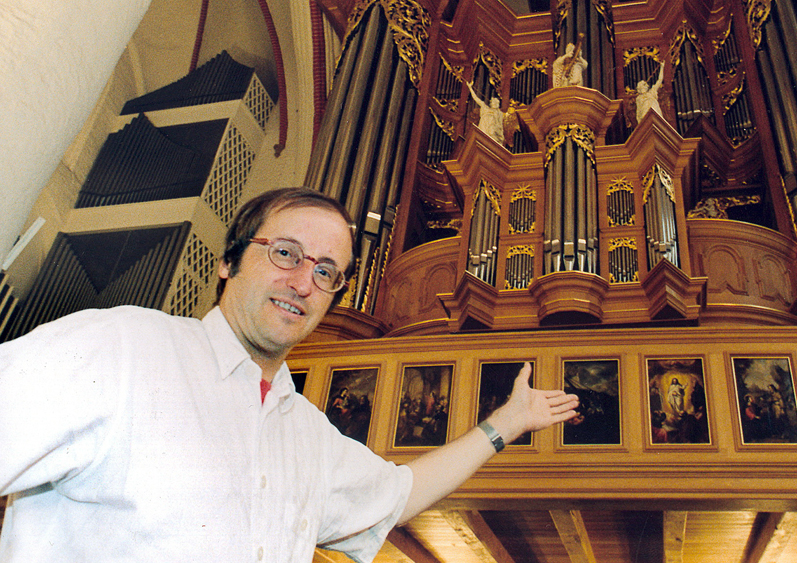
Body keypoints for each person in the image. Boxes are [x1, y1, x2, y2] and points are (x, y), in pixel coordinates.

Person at [0, 187, 579, 563]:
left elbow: (398, 496)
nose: (304, 282)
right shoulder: (124, 347)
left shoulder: (308, 434)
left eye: (326, 270)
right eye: (286, 253)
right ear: (228, 262)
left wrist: (506, 423)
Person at [466, 81, 506, 146]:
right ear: (491, 103)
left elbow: (500, 125)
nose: (496, 104)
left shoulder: (499, 113)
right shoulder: (485, 107)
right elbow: (476, 99)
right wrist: (470, 88)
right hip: (484, 127)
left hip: (493, 130)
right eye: (495, 103)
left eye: (497, 103)